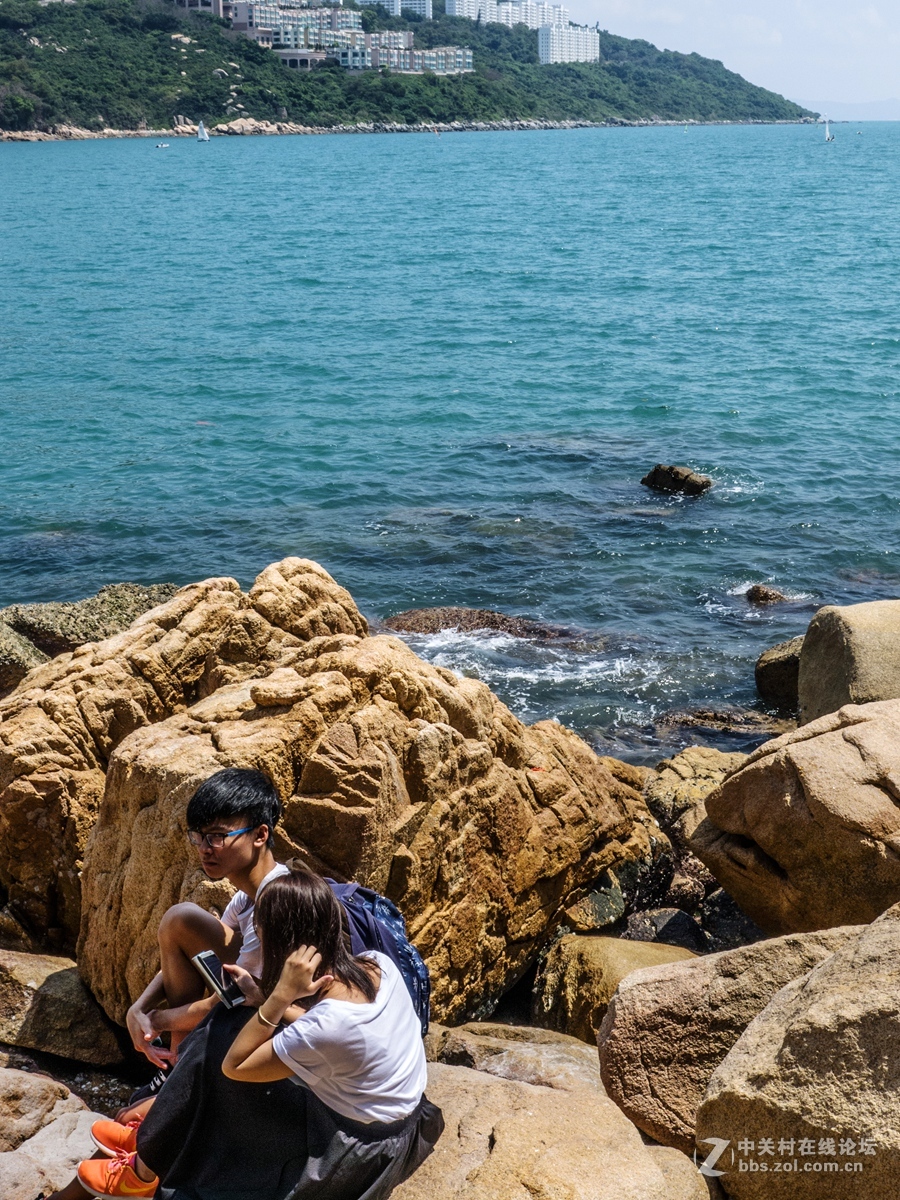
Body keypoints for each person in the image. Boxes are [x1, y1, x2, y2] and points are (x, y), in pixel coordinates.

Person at [74, 869, 443, 1200]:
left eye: (264, 937)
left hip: (357, 1148)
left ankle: (142, 1169)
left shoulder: (327, 1027)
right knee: (235, 1019)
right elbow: (332, 1030)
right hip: (394, 1121)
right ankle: (153, 1137)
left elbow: (237, 1066)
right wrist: (265, 998)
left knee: (221, 1039)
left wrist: (279, 997)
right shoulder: (377, 965)